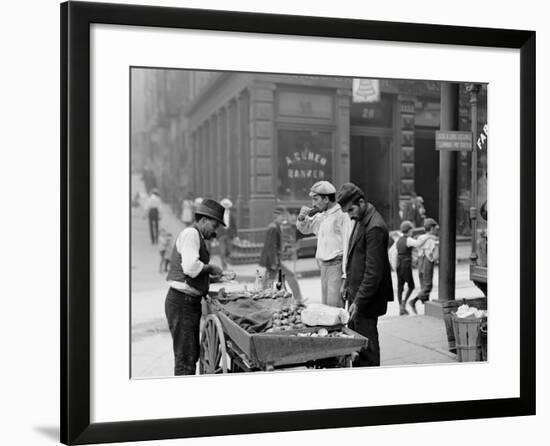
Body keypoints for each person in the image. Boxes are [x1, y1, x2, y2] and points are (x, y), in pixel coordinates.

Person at [164, 199, 225, 375]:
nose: (214, 231)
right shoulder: (191, 233)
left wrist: (209, 278)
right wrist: (211, 268)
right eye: (214, 226)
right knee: (185, 359)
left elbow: (194, 274)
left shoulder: (196, 236)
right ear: (204, 220)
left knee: (190, 355)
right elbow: (190, 269)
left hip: (187, 302)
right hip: (181, 303)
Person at [337, 182, 393, 367]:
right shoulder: (362, 219)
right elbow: (356, 256)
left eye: (351, 209)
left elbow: (373, 273)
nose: (350, 215)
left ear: (361, 202)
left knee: (367, 347)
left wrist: (358, 302)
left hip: (366, 301)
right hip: (358, 296)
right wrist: (346, 282)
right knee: (358, 346)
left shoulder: (374, 227)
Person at [296, 181, 351, 308]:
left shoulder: (341, 215)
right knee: (326, 309)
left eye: (316, 199)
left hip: (336, 265)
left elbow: (348, 245)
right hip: (324, 266)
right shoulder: (323, 216)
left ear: (326, 199)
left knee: (334, 309)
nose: (313, 203)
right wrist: (301, 218)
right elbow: (306, 228)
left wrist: (345, 275)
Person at [259, 206, 303, 303]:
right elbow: (271, 247)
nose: (284, 218)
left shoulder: (276, 227)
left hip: (273, 259)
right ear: (276, 216)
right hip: (272, 260)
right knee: (289, 276)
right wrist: (274, 262)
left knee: (271, 280)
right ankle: (298, 299)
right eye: (281, 216)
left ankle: (264, 298)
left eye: (284, 216)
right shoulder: (273, 228)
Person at [408, 218, 439, 314]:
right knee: (428, 285)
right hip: (427, 262)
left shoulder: (420, 238)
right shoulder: (431, 240)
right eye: (435, 228)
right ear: (431, 228)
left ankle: (426, 309)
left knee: (423, 286)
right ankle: (414, 301)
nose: (436, 230)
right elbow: (435, 256)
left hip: (420, 262)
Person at [395, 220, 416, 315]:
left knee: (400, 286)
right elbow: (418, 244)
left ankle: (401, 307)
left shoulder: (398, 240)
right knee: (411, 285)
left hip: (398, 265)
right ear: (409, 230)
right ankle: (404, 303)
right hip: (406, 265)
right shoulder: (409, 239)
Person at [217, 198, 237, 270]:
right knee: (222, 252)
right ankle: (224, 266)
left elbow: (234, 226)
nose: (225, 206)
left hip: (229, 235)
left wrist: (235, 235)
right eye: (224, 205)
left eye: (227, 205)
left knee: (228, 251)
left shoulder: (231, 215)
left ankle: (226, 260)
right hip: (221, 235)